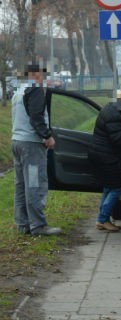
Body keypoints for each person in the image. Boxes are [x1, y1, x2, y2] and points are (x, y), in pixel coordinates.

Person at [11, 64, 62, 236]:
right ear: (34, 74)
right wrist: (47, 136)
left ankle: (23, 224)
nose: (43, 79)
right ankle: (38, 226)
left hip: (17, 142)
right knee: (34, 184)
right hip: (31, 145)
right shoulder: (34, 90)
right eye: (41, 75)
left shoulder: (19, 91)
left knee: (21, 185)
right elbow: (36, 117)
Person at [87, 86, 121, 231]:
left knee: (109, 187)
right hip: (106, 156)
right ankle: (103, 219)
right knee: (116, 188)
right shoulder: (115, 114)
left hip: (102, 154)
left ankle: (101, 219)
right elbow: (118, 139)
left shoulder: (113, 108)